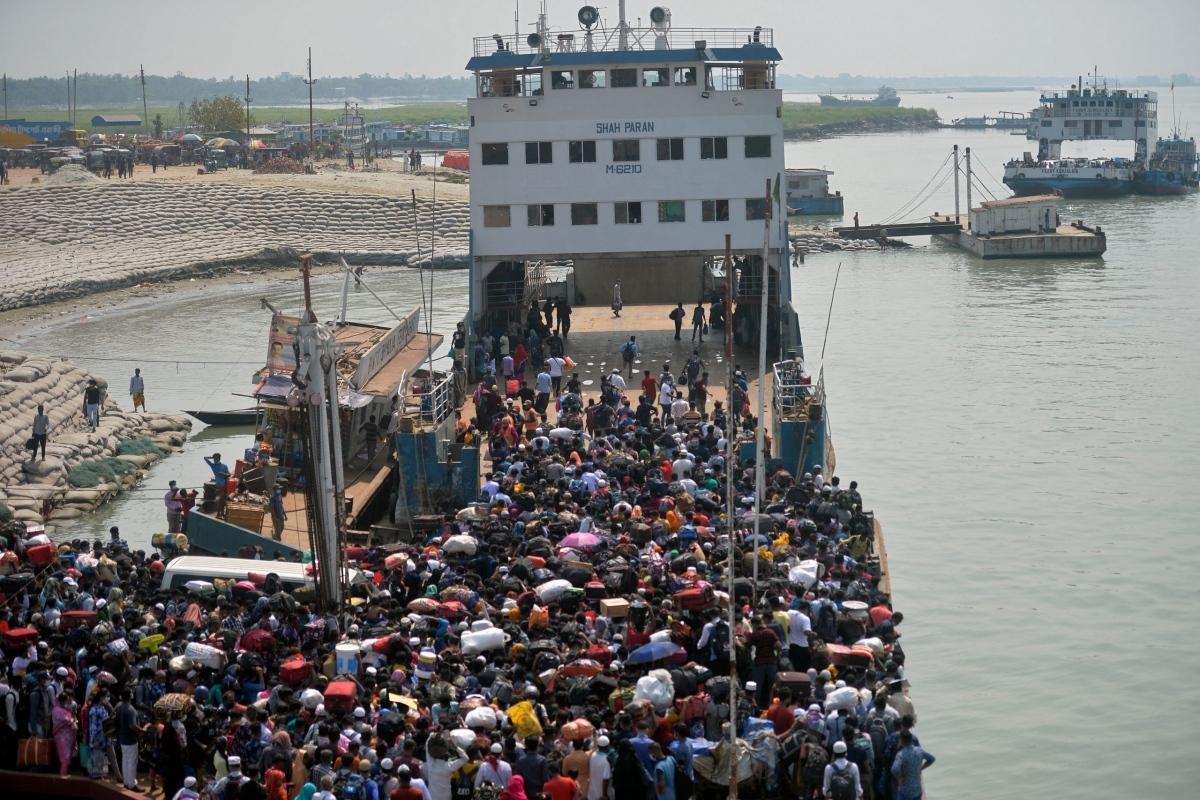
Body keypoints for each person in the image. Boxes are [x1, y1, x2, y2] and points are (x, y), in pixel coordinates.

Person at [116, 687, 146, 790]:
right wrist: (142, 731)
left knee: (125, 761)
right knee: (132, 762)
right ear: (129, 696)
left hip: (122, 738)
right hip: (130, 740)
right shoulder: (130, 709)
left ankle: (126, 782)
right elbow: (132, 725)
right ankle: (132, 784)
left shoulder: (119, 706)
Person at [890, 731, 934, 800]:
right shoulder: (919, 751)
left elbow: (894, 769)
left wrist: (899, 778)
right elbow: (932, 759)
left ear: (901, 740)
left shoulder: (901, 754)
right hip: (917, 788)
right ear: (911, 739)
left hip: (905, 789)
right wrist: (921, 768)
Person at [205, 453, 231, 517]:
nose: (214, 460)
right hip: (219, 485)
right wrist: (212, 457)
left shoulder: (224, 466)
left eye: (216, 458)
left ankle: (221, 513)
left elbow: (229, 474)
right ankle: (220, 513)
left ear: (219, 459)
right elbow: (205, 458)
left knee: (223, 500)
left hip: (225, 484)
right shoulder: (213, 465)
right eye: (214, 459)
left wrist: (223, 474)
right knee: (221, 500)